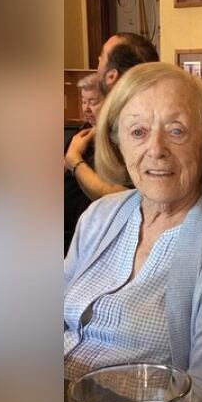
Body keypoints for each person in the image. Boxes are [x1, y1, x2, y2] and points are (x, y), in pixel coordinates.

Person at [64, 62, 202, 402]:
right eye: (138, 131)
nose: (156, 148)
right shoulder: (99, 216)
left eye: (176, 131)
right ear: (116, 141)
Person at [64, 33, 160, 253]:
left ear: (111, 76)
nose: (97, 64)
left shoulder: (136, 122)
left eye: (100, 59)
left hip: (105, 245)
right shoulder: (109, 121)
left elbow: (126, 197)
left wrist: (75, 162)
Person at [64, 75, 106, 253]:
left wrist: (74, 159)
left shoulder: (113, 140)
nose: (86, 108)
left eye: (93, 101)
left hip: (88, 232)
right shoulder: (81, 133)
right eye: (83, 101)